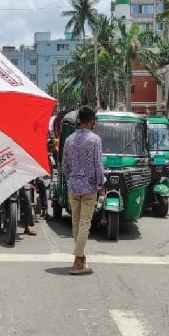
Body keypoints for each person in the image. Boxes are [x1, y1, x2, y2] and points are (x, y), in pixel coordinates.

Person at [61, 106, 104, 276]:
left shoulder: (69, 140)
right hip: (89, 186)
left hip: (74, 186)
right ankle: (78, 260)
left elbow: (64, 166)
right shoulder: (95, 140)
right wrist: (101, 185)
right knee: (85, 223)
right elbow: (98, 166)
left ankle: (81, 257)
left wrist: (72, 178)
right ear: (91, 120)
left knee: (76, 223)